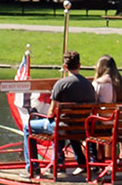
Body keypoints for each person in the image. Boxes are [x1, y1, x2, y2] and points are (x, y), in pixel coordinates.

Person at [23, 50, 96, 178]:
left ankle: (32, 167)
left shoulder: (61, 84)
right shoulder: (89, 85)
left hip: (62, 127)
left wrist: (44, 115)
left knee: (28, 126)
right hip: (82, 127)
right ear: (79, 65)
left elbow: (51, 113)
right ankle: (61, 162)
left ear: (65, 66)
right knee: (63, 124)